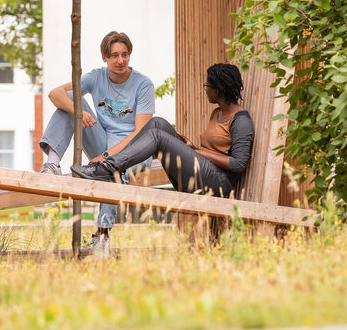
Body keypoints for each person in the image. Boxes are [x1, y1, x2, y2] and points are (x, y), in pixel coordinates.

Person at [38, 30, 156, 253]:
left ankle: (102, 235)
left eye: (124, 54)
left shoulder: (143, 85)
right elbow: (55, 94)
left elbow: (142, 133)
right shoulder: (96, 77)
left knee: (112, 171)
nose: (120, 60)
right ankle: (52, 164)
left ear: (130, 55)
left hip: (135, 149)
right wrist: (78, 112)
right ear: (104, 57)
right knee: (70, 97)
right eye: (114, 55)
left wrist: (106, 157)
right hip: (103, 140)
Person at [72, 63, 252, 201]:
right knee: (157, 123)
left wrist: (197, 152)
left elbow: (238, 164)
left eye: (207, 85)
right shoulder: (217, 113)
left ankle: (108, 167)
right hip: (203, 172)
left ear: (218, 89)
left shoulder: (241, 120)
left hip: (219, 185)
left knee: (157, 136)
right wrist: (193, 148)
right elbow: (215, 151)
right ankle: (113, 168)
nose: (205, 89)